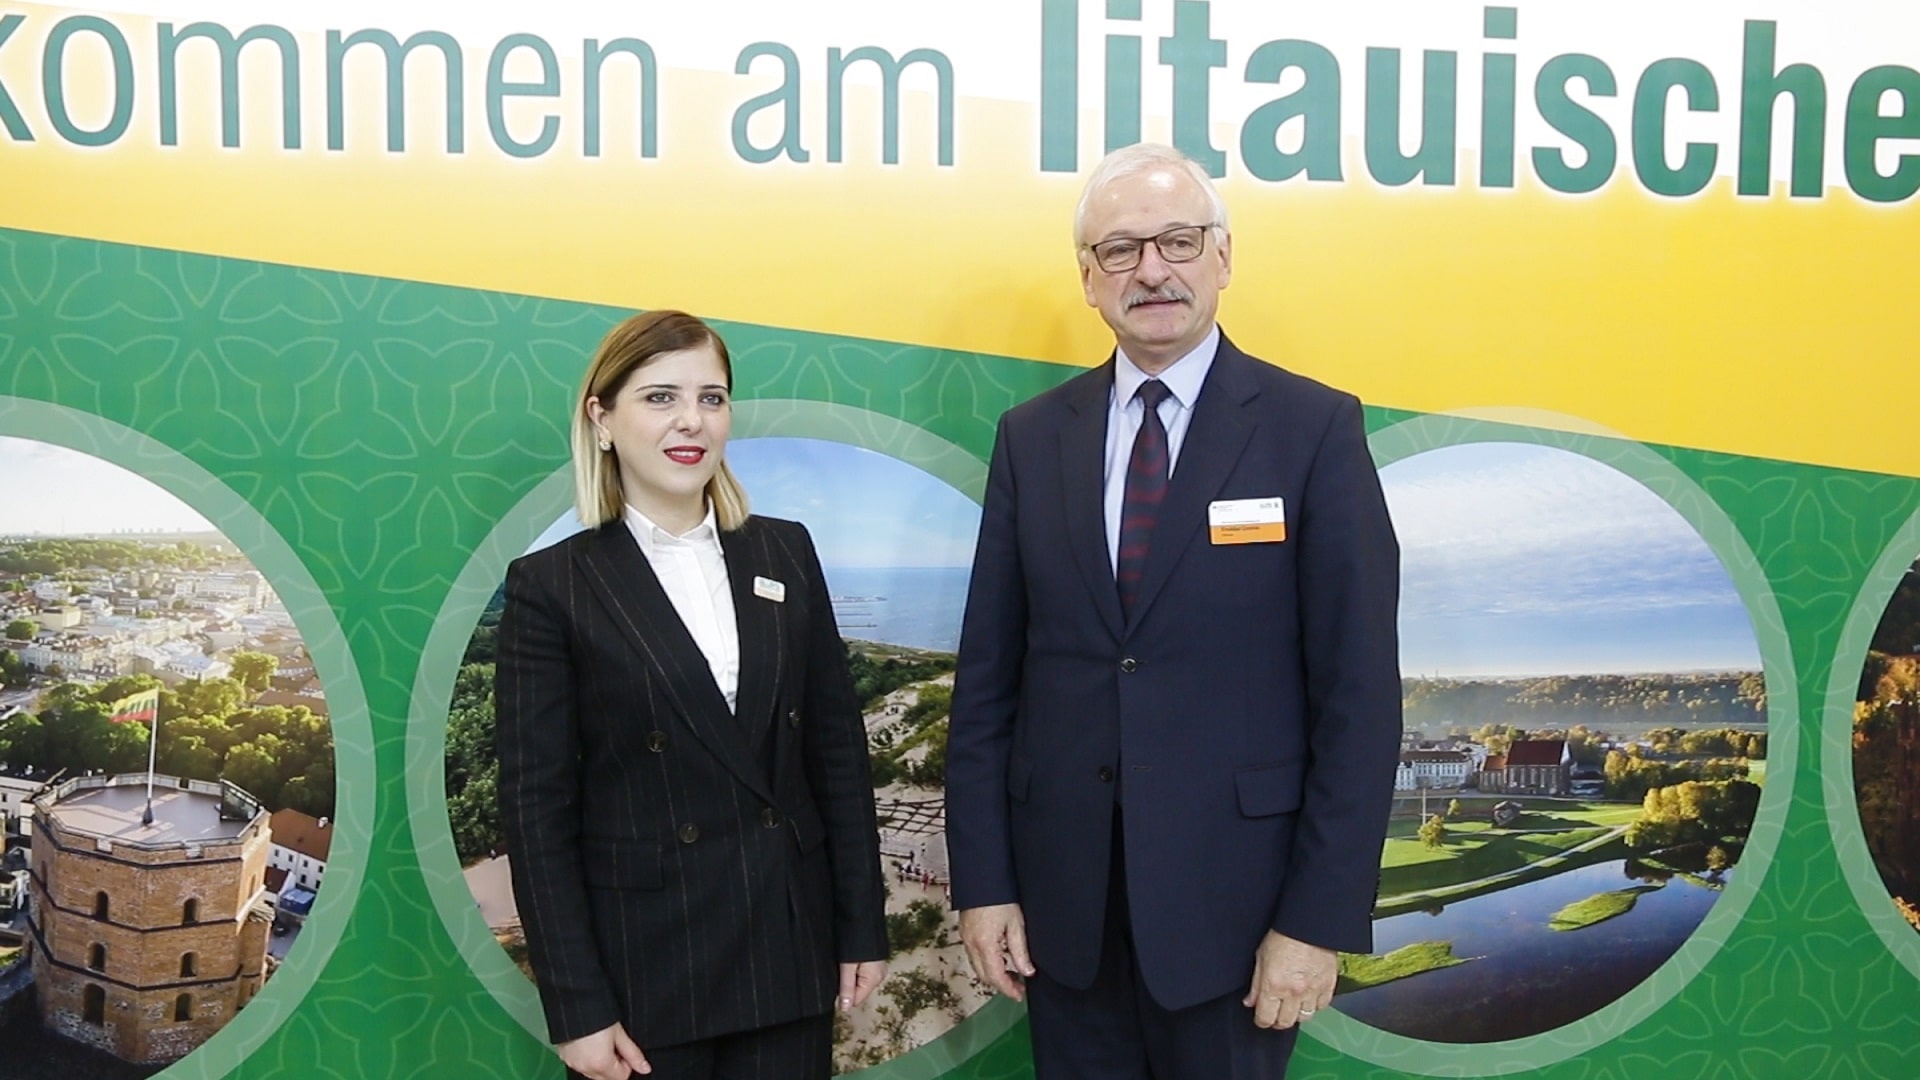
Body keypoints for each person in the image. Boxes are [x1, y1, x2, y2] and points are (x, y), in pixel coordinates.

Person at [944, 143, 1402, 1079]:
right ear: (1089, 278)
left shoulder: (1313, 429)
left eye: (1178, 241)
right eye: (1120, 250)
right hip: (1066, 920)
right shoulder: (1032, 439)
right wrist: (985, 885)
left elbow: (1359, 700)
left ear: (1223, 257)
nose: (1151, 269)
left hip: (1239, 923)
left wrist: (1316, 921)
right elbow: (988, 684)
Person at [496, 310, 888, 1080]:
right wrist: (575, 1004)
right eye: (660, 397)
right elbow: (536, 811)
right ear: (601, 419)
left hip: (785, 947)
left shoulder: (785, 549)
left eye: (712, 398)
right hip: (643, 970)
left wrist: (860, 926)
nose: (692, 421)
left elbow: (837, 754)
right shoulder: (552, 585)